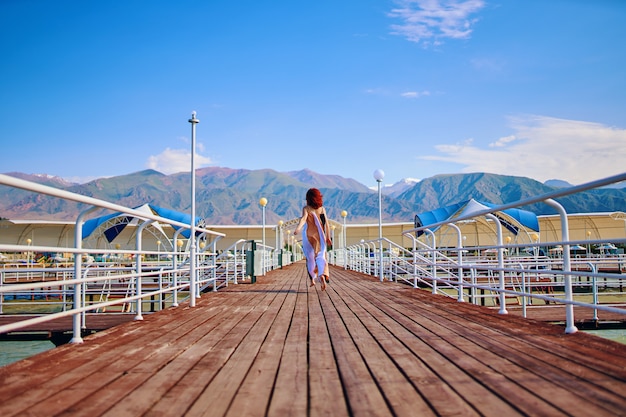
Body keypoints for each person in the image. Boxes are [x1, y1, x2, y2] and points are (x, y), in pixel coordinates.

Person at [293, 188, 332, 290]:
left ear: (308, 199)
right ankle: (322, 276)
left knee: (310, 258)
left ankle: (313, 279)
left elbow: (303, 219)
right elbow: (327, 224)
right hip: (320, 236)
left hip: (308, 236)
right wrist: (328, 237)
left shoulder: (306, 208)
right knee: (320, 257)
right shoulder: (322, 209)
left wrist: (298, 228)